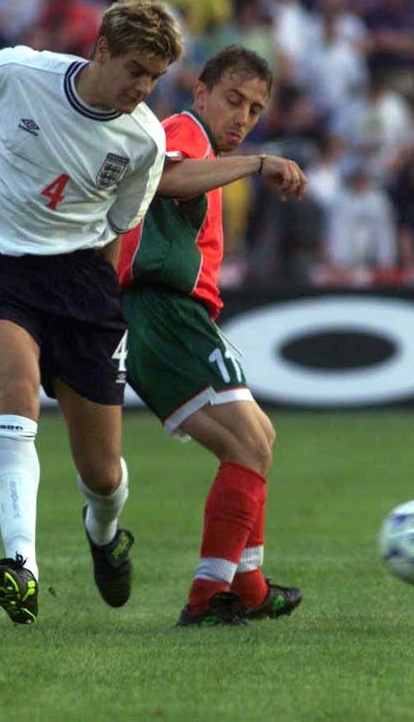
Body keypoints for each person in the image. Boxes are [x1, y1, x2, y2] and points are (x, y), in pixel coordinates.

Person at [0, 0, 184, 625]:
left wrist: (98, 302)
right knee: (17, 388)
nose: (143, 87)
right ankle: (22, 566)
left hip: (82, 283)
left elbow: (119, 229)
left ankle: (104, 532)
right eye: (136, 70)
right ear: (101, 51)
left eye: (155, 78)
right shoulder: (23, 73)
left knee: (101, 473)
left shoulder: (143, 139)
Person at [118, 45, 307, 626]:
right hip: (165, 310)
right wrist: (257, 162)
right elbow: (169, 178)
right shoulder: (185, 130)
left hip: (162, 315)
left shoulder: (205, 142)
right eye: (233, 100)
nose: (242, 118)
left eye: (254, 110)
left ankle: (246, 586)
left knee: (254, 442)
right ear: (201, 92)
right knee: (250, 444)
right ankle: (209, 597)